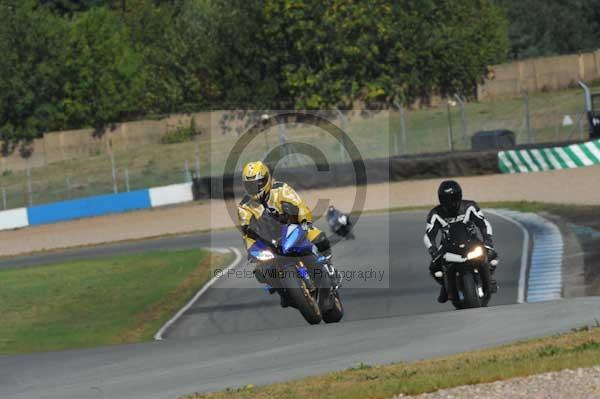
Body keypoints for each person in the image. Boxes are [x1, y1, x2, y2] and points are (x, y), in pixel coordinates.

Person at [237, 161, 333, 306]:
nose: (255, 188)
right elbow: (246, 233)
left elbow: (300, 206)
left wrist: (304, 221)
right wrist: (252, 250)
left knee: (319, 238)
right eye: (250, 185)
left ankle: (328, 268)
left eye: (258, 183)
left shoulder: (281, 189)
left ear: (267, 179)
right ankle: (283, 291)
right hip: (269, 242)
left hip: (293, 229)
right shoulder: (244, 206)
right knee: (261, 270)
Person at [423, 180, 497, 303]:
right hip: (448, 246)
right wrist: (433, 252)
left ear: (459, 196)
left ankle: (489, 279)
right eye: (447, 199)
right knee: (434, 268)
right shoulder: (435, 213)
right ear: (441, 199)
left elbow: (483, 224)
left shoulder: (470, 206)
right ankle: (446, 287)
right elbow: (429, 235)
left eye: (453, 198)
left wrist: (488, 240)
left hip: (472, 242)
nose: (451, 202)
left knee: (492, 256)